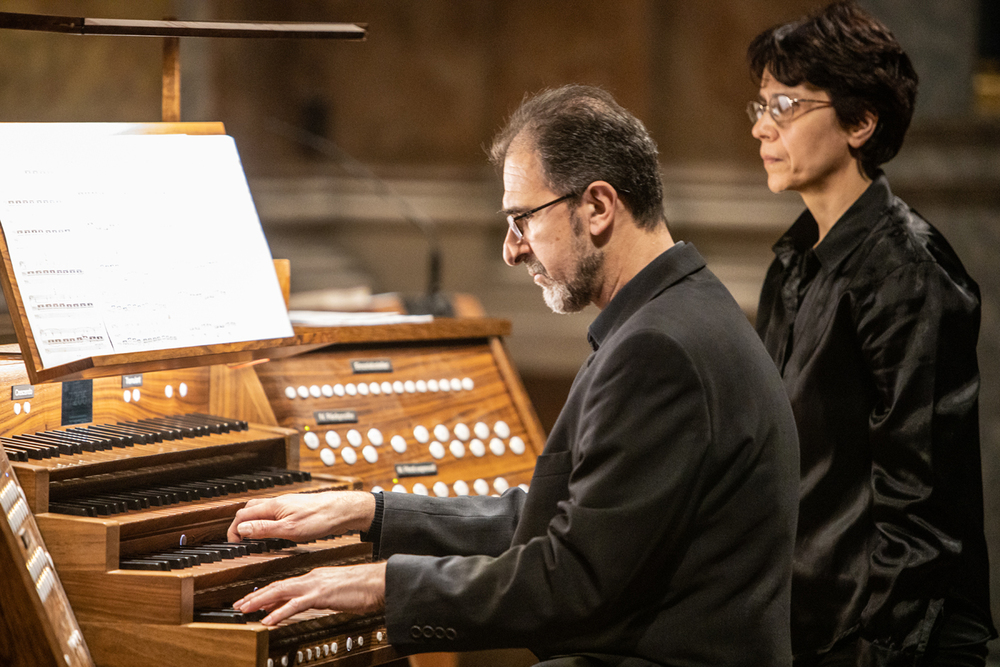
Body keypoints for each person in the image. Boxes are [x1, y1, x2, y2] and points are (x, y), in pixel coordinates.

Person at [228, 84, 800, 666]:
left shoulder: (659, 350)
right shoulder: (682, 311)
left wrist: (382, 586)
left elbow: (571, 578)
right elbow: (560, 523)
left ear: (597, 206)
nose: (511, 249)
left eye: (522, 219)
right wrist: (373, 513)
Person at [746, 2, 996, 665]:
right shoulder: (794, 261)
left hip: (890, 643)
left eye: (785, 107)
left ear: (860, 122)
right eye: (759, 107)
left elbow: (918, 515)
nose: (762, 130)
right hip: (810, 627)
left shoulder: (909, 272)